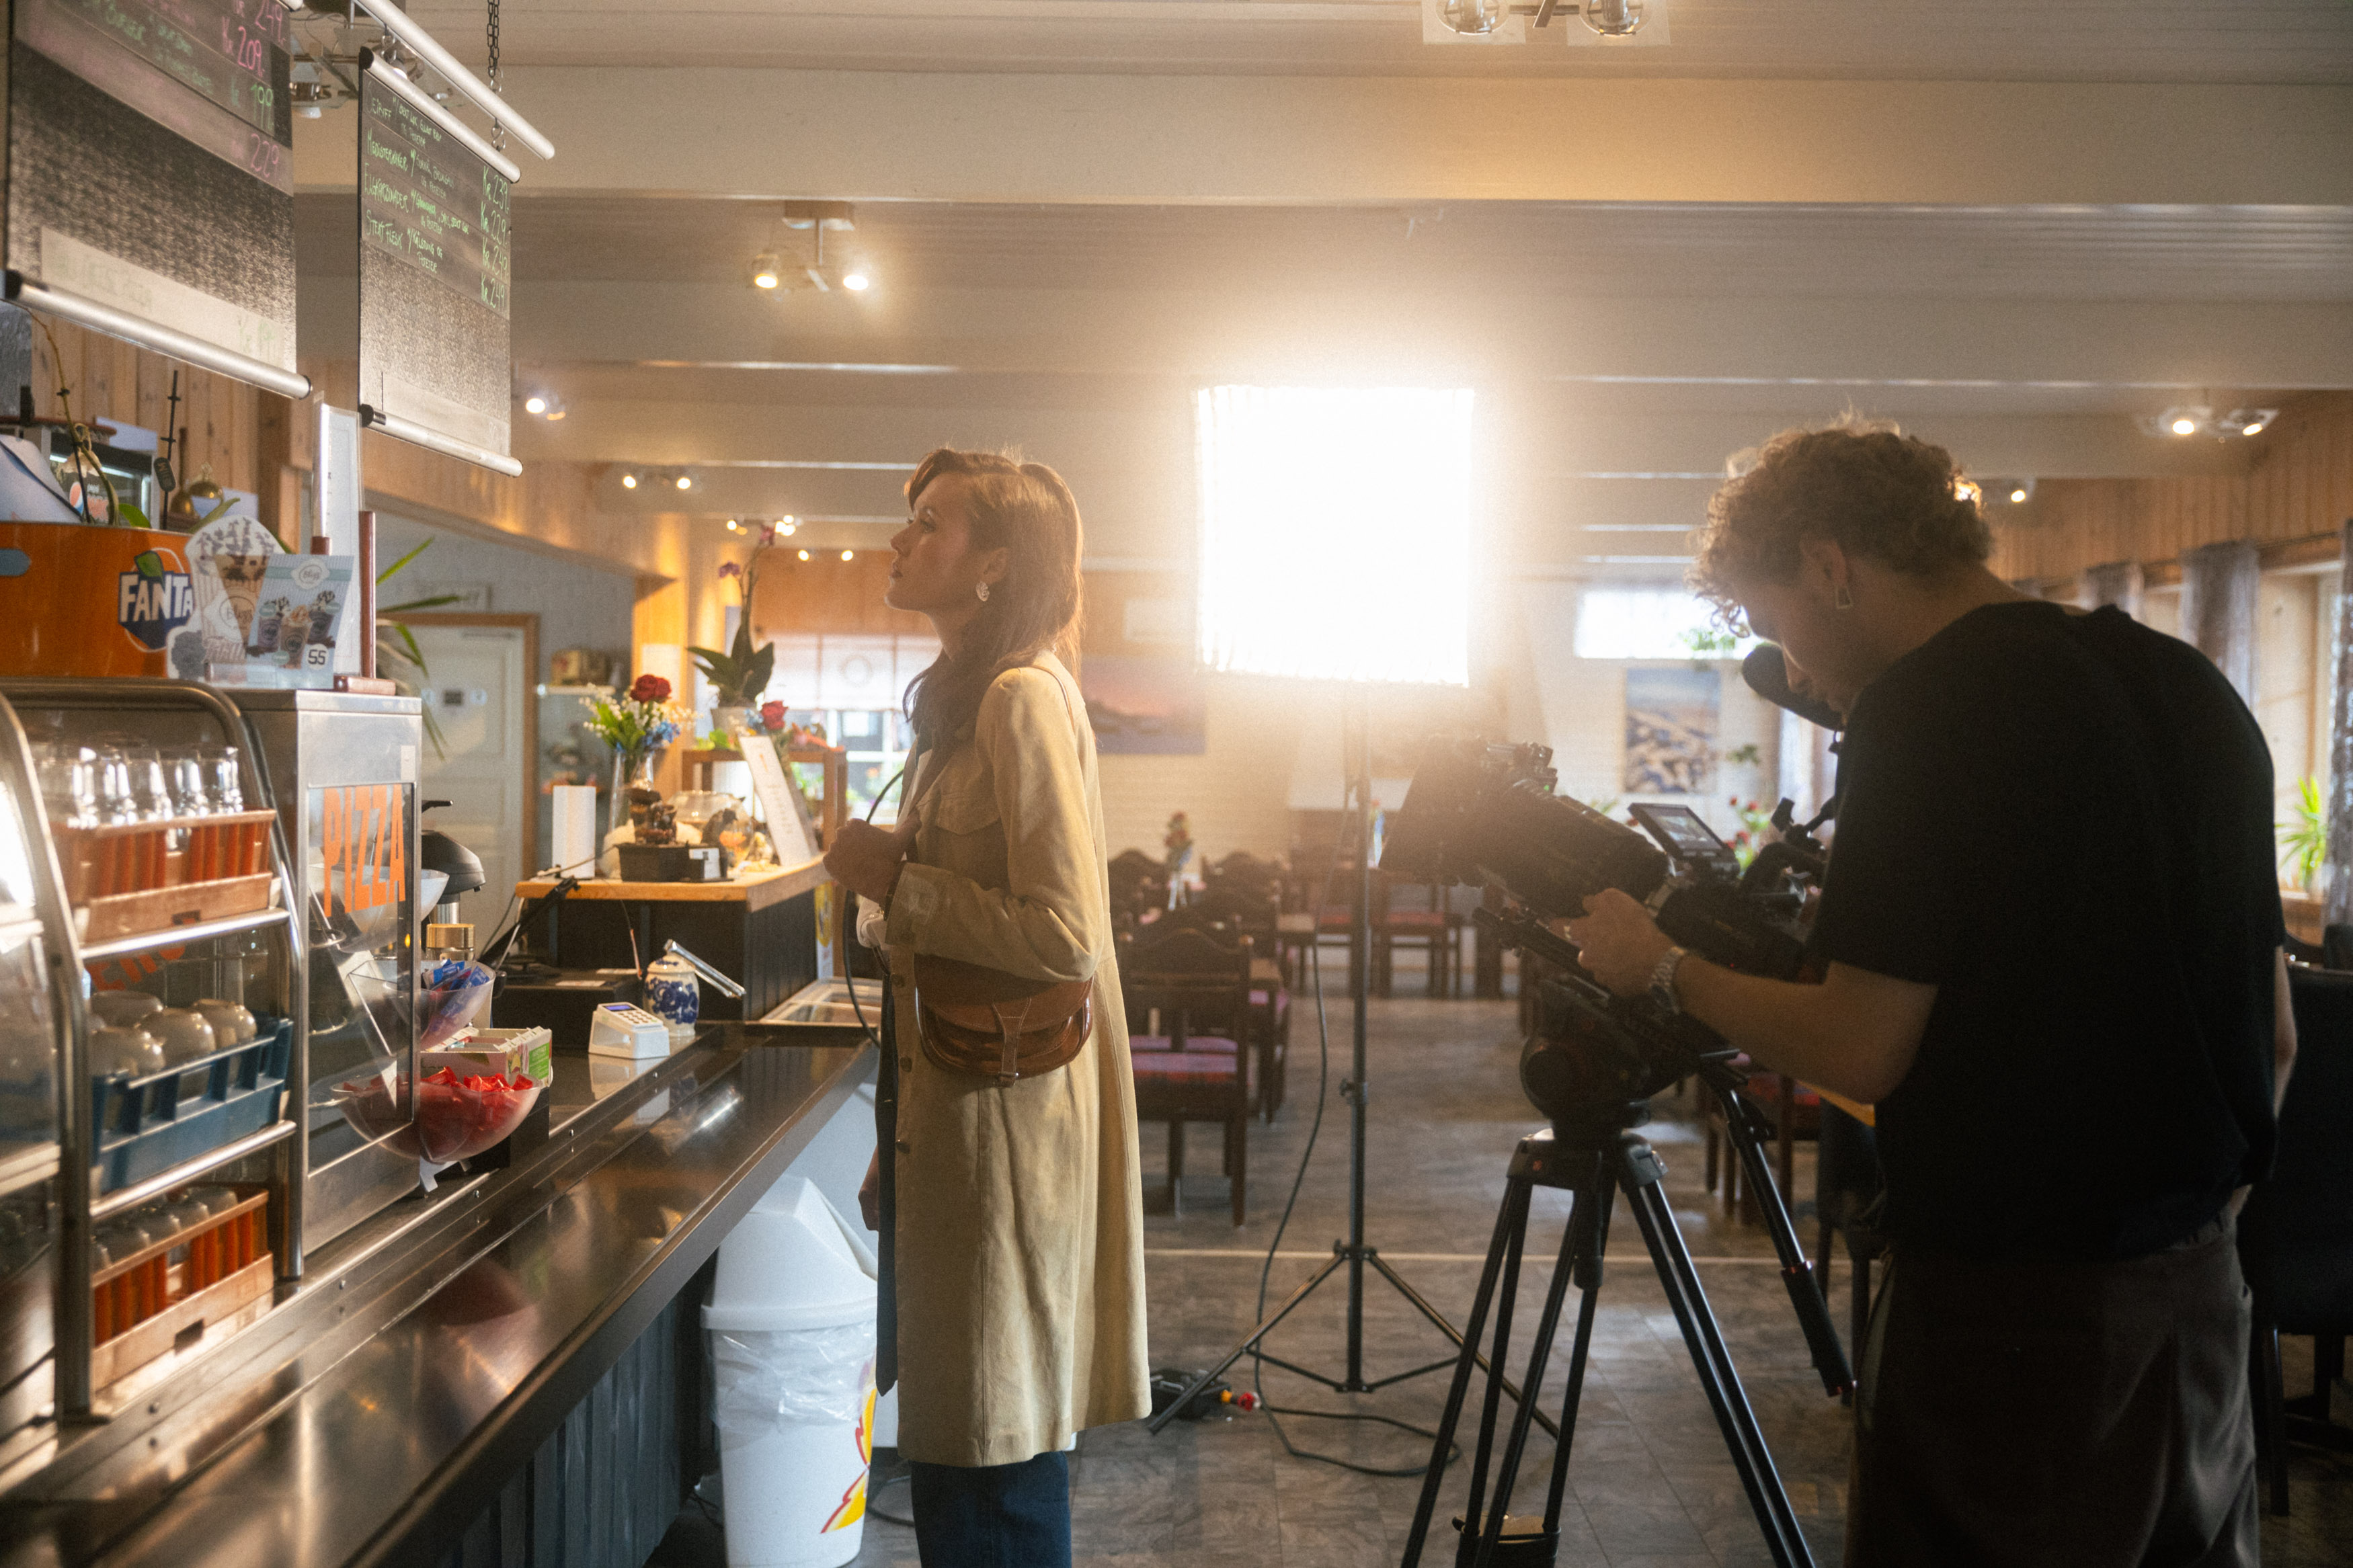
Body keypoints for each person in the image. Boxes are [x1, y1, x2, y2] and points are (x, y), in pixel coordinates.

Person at [1561, 421, 2297, 1567]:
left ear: (1829, 565)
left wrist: (1660, 964)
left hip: (2012, 1323)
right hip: (2201, 1301)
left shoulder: (1926, 711)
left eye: (1774, 622)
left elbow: (1862, 1046)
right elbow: (2279, 1035)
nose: (1795, 669)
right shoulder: (2190, 684)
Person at [822, 448, 1149, 1567]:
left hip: (1008, 1120)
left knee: (995, 1449)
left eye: (932, 523)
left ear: (997, 562)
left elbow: (1065, 933)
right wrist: (900, 1134)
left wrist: (894, 880)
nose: (901, 540)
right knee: (963, 1440)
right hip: (960, 1110)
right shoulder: (970, 697)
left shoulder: (1020, 697)